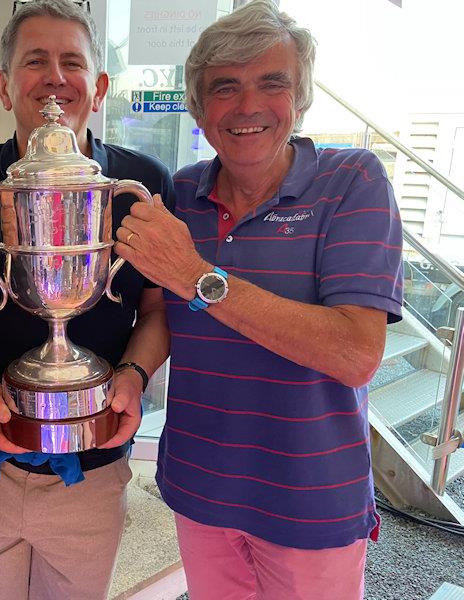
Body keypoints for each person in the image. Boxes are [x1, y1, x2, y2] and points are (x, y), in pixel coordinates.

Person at [113, 2, 403, 599]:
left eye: (272, 83)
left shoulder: (354, 182)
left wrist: (198, 276)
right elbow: (164, 312)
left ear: (300, 99)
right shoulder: (181, 192)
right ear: (199, 108)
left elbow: (355, 353)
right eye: (225, 88)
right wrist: (132, 373)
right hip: (199, 488)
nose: (248, 107)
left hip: (311, 502)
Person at [0, 1, 173, 598]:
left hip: (95, 462)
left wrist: (133, 376)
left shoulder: (145, 181)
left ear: (99, 85)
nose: (55, 77)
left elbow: (159, 309)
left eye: (72, 62)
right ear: (5, 85)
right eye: (35, 61)